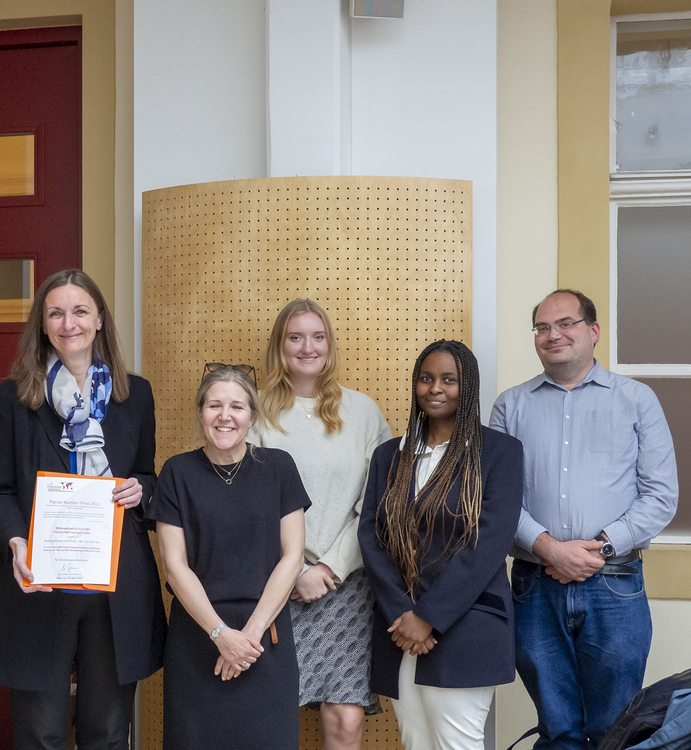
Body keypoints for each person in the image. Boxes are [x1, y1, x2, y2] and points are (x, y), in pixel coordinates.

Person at [0, 268, 166, 750]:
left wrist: (140, 490)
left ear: (99, 319)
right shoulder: (15, 398)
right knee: (39, 733)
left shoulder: (135, 395)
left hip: (114, 586)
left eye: (80, 311)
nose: (69, 323)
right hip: (38, 583)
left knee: (107, 733)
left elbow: (146, 476)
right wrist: (15, 542)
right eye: (56, 313)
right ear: (42, 325)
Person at [489, 289, 678, 750]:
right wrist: (551, 549)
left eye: (565, 323)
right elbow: (496, 498)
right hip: (536, 587)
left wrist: (599, 549)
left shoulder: (637, 400)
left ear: (593, 331)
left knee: (616, 728)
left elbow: (660, 495)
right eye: (542, 327)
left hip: (614, 585)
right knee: (558, 731)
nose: (552, 335)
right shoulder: (509, 406)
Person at [358, 340, 523, 750]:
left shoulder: (499, 452)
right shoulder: (389, 456)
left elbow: (489, 543)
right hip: (400, 628)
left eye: (449, 380)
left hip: (467, 623)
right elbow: (372, 536)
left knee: (456, 743)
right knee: (416, 742)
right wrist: (403, 613)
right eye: (426, 378)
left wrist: (428, 616)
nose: (435, 388)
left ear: (468, 387)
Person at [148, 363, 310, 750]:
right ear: (200, 412)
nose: (225, 416)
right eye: (214, 405)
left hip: (264, 639)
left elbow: (293, 556)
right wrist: (220, 635)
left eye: (237, 406)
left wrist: (248, 637)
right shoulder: (177, 472)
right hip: (198, 637)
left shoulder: (279, 467)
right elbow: (174, 566)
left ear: (252, 416)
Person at [252, 299, 391, 750]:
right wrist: (294, 569)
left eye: (317, 337)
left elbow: (378, 503)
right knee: (268, 710)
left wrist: (329, 568)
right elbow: (245, 503)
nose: (307, 347)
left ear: (330, 345)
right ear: (280, 345)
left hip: (345, 582)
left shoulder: (363, 411)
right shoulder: (254, 410)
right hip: (274, 581)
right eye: (295, 337)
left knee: (345, 718)